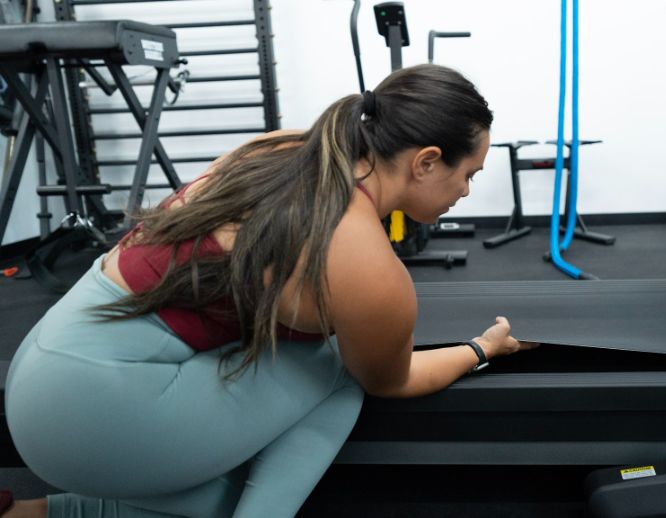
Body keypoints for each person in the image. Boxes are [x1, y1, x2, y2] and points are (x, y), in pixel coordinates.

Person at [2, 64, 537, 518]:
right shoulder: (368, 263)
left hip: (39, 374)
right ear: (426, 161)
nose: (466, 191)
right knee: (338, 371)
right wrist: (480, 349)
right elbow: (390, 381)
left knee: (221, 488)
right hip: (88, 415)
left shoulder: (278, 150)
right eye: (468, 174)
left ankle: (37, 512)